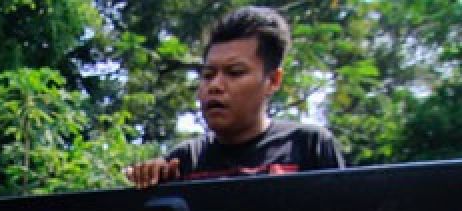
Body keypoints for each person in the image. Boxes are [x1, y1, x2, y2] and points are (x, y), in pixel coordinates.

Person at [126, 6, 345, 187]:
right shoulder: (186, 160)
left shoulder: (308, 146)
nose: (215, 85)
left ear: (273, 81)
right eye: (208, 74)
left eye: (235, 73)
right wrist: (149, 179)